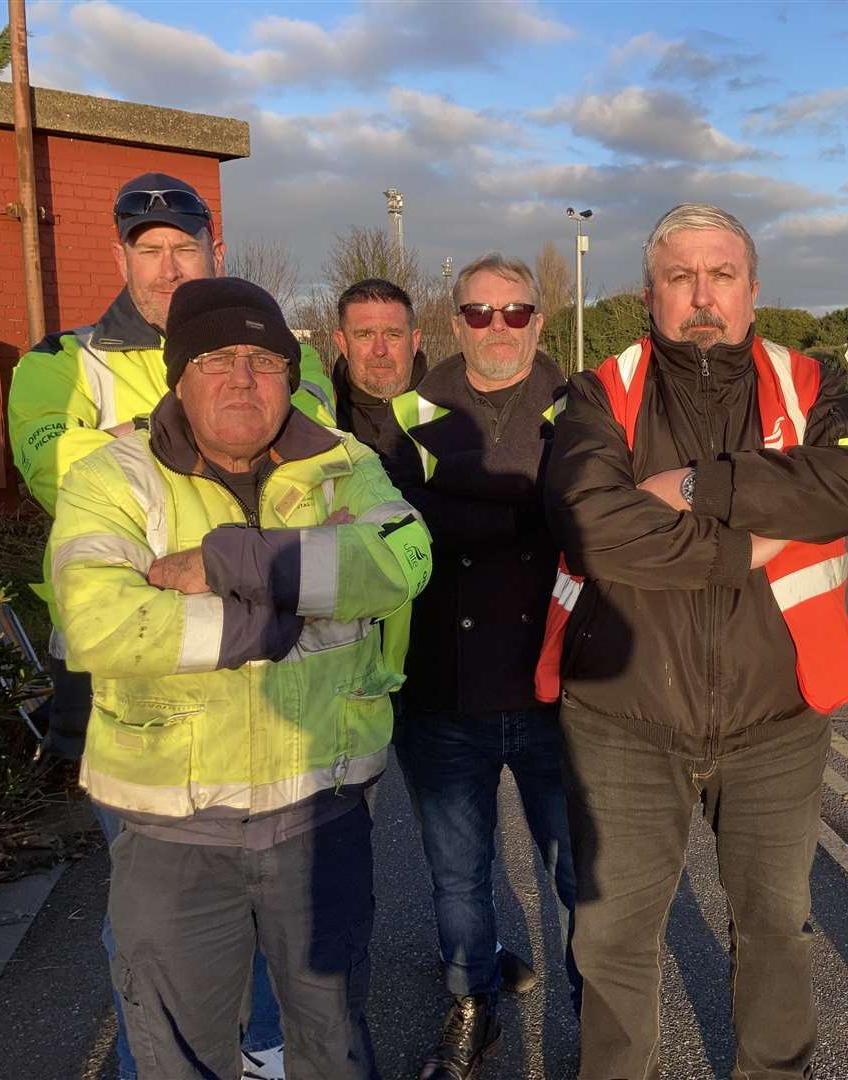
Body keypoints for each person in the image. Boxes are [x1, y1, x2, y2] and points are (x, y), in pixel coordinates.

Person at [49, 276, 431, 1080]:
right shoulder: (113, 477)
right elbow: (98, 621)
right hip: (172, 831)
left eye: (264, 359)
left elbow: (405, 559)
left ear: (291, 375)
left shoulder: (343, 462)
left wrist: (234, 561)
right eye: (216, 358)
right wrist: (285, 613)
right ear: (178, 375)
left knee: (333, 1046)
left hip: (318, 812)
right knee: (182, 1060)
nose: (242, 379)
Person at [541, 204, 848, 1079]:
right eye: (680, 276)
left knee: (777, 927)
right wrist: (748, 542)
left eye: (721, 274)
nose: (702, 295)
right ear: (649, 291)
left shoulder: (808, 382)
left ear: (753, 289)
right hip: (622, 717)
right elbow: (594, 524)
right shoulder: (597, 391)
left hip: (777, 718)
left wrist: (694, 483)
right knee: (613, 936)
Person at [6, 171, 334, 1080]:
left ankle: (261, 1051)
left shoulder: (269, 360)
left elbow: (313, 467)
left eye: (183, 247)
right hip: (132, 672)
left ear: (212, 250)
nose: (165, 266)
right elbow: (66, 478)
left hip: (269, 662)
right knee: (149, 911)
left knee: (273, 888)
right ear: (120, 257)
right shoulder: (57, 361)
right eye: (147, 251)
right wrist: (225, 465)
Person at [376, 254, 578, 1080]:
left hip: (559, 690)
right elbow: (395, 524)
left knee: (582, 876)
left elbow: (588, 508)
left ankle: (598, 1021)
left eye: (517, 312)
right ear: (454, 321)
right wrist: (530, 506)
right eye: (480, 312)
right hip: (441, 693)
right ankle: (473, 1007)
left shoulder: (582, 404)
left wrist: (459, 502)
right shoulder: (405, 411)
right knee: (458, 881)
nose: (499, 328)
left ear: (540, 317)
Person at [331, 278, 428, 450]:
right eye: (365, 335)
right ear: (342, 343)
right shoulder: (319, 421)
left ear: (414, 342)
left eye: (393, 335)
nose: (380, 350)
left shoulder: (454, 413)